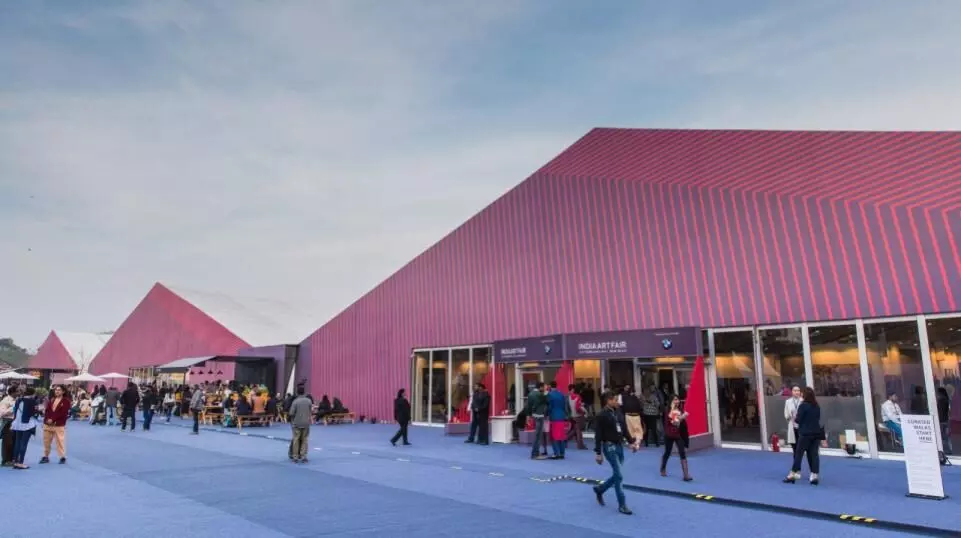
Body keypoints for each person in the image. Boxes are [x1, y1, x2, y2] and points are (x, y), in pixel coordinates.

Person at [592, 391, 638, 515]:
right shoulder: (601, 415)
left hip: (619, 446)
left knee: (618, 475)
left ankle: (600, 489)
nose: (618, 402)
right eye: (616, 400)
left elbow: (624, 428)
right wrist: (598, 453)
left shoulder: (618, 412)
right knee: (619, 475)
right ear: (609, 400)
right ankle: (622, 504)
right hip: (609, 447)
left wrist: (631, 442)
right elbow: (598, 435)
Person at [784, 387, 822, 485]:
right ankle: (814, 475)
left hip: (805, 434)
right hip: (816, 433)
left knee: (799, 454)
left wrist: (795, 418)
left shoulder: (803, 405)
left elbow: (798, 420)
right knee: (814, 454)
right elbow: (818, 418)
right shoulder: (816, 406)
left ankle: (792, 474)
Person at [660, 395, 693, 481]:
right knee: (667, 452)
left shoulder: (680, 410)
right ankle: (663, 468)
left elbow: (682, 425)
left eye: (677, 399)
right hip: (669, 434)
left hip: (678, 435)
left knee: (682, 452)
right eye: (675, 400)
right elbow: (674, 422)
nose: (677, 401)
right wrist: (682, 417)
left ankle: (686, 475)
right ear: (671, 401)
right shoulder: (668, 411)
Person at [40, 384, 71, 464]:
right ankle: (46, 456)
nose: (57, 391)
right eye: (56, 390)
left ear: (63, 391)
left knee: (60, 441)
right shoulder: (52, 399)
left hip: (58, 424)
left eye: (59, 390)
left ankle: (62, 457)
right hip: (48, 424)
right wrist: (47, 419)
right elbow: (47, 411)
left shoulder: (66, 401)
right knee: (46, 441)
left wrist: (52, 419)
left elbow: (63, 413)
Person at [11, 386, 40, 470]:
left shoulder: (18, 400)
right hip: (27, 423)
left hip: (17, 423)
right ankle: (20, 463)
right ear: (33, 394)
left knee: (17, 443)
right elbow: (35, 413)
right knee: (24, 443)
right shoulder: (33, 401)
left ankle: (15, 461)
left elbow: (15, 410)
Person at [287, 385, 312, 463]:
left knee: (296, 439)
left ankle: (295, 457)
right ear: (304, 392)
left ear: (297, 393)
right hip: (306, 423)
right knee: (304, 439)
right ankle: (304, 456)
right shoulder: (309, 401)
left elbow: (291, 413)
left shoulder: (295, 401)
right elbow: (310, 411)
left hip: (297, 423)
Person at [526, 382, 549, 460]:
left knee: (537, 436)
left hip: (534, 416)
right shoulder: (540, 394)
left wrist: (528, 416)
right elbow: (546, 401)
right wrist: (546, 392)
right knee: (538, 436)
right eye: (544, 387)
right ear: (540, 387)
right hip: (540, 416)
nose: (545, 388)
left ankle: (535, 453)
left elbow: (528, 406)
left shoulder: (530, 394)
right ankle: (535, 454)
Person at [547, 381, 568, 459]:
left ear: (550, 386)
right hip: (561, 416)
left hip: (554, 416)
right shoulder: (561, 394)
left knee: (554, 436)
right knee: (561, 436)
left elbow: (549, 407)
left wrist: (547, 414)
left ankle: (556, 453)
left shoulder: (549, 395)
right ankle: (562, 453)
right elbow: (564, 405)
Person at [1, 385, 19, 466]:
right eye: (17, 391)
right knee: (7, 442)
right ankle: (5, 460)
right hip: (8, 422)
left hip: (16, 422)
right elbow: (2, 413)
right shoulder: (5, 401)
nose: (19, 393)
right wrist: (13, 408)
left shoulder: (17, 400)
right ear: (12, 392)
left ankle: (12, 459)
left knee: (14, 441)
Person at [567, 384, 587, 450]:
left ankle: (564, 440)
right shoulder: (578, 397)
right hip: (578, 416)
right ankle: (580, 445)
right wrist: (583, 412)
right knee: (578, 431)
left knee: (575, 430)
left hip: (573, 415)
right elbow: (577, 407)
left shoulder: (569, 396)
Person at [783, 386, 802, 450]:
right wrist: (789, 417)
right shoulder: (788, 401)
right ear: (792, 392)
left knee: (801, 444)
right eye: (795, 390)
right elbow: (786, 413)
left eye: (798, 390)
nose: (797, 392)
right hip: (792, 424)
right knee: (794, 444)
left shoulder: (803, 401)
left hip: (801, 425)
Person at [936, 387, 952, 455]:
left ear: (940, 393)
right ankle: (948, 449)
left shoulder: (941, 401)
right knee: (946, 436)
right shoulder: (946, 400)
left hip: (941, 420)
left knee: (943, 436)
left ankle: (945, 450)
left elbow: (940, 411)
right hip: (945, 420)